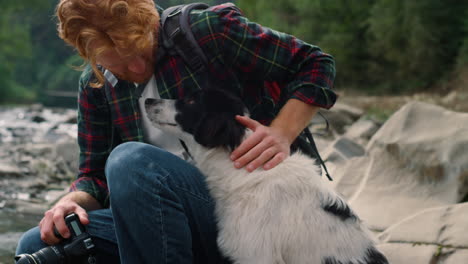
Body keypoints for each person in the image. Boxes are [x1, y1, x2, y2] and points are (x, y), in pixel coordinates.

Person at [15, 0, 337, 263]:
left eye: (140, 51)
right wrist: (70, 202)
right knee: (36, 245)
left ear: (149, 21)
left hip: (255, 218)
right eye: (119, 66)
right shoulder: (96, 87)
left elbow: (315, 63)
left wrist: (282, 131)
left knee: (131, 161)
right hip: (166, 230)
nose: (138, 70)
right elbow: (95, 177)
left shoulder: (208, 32)